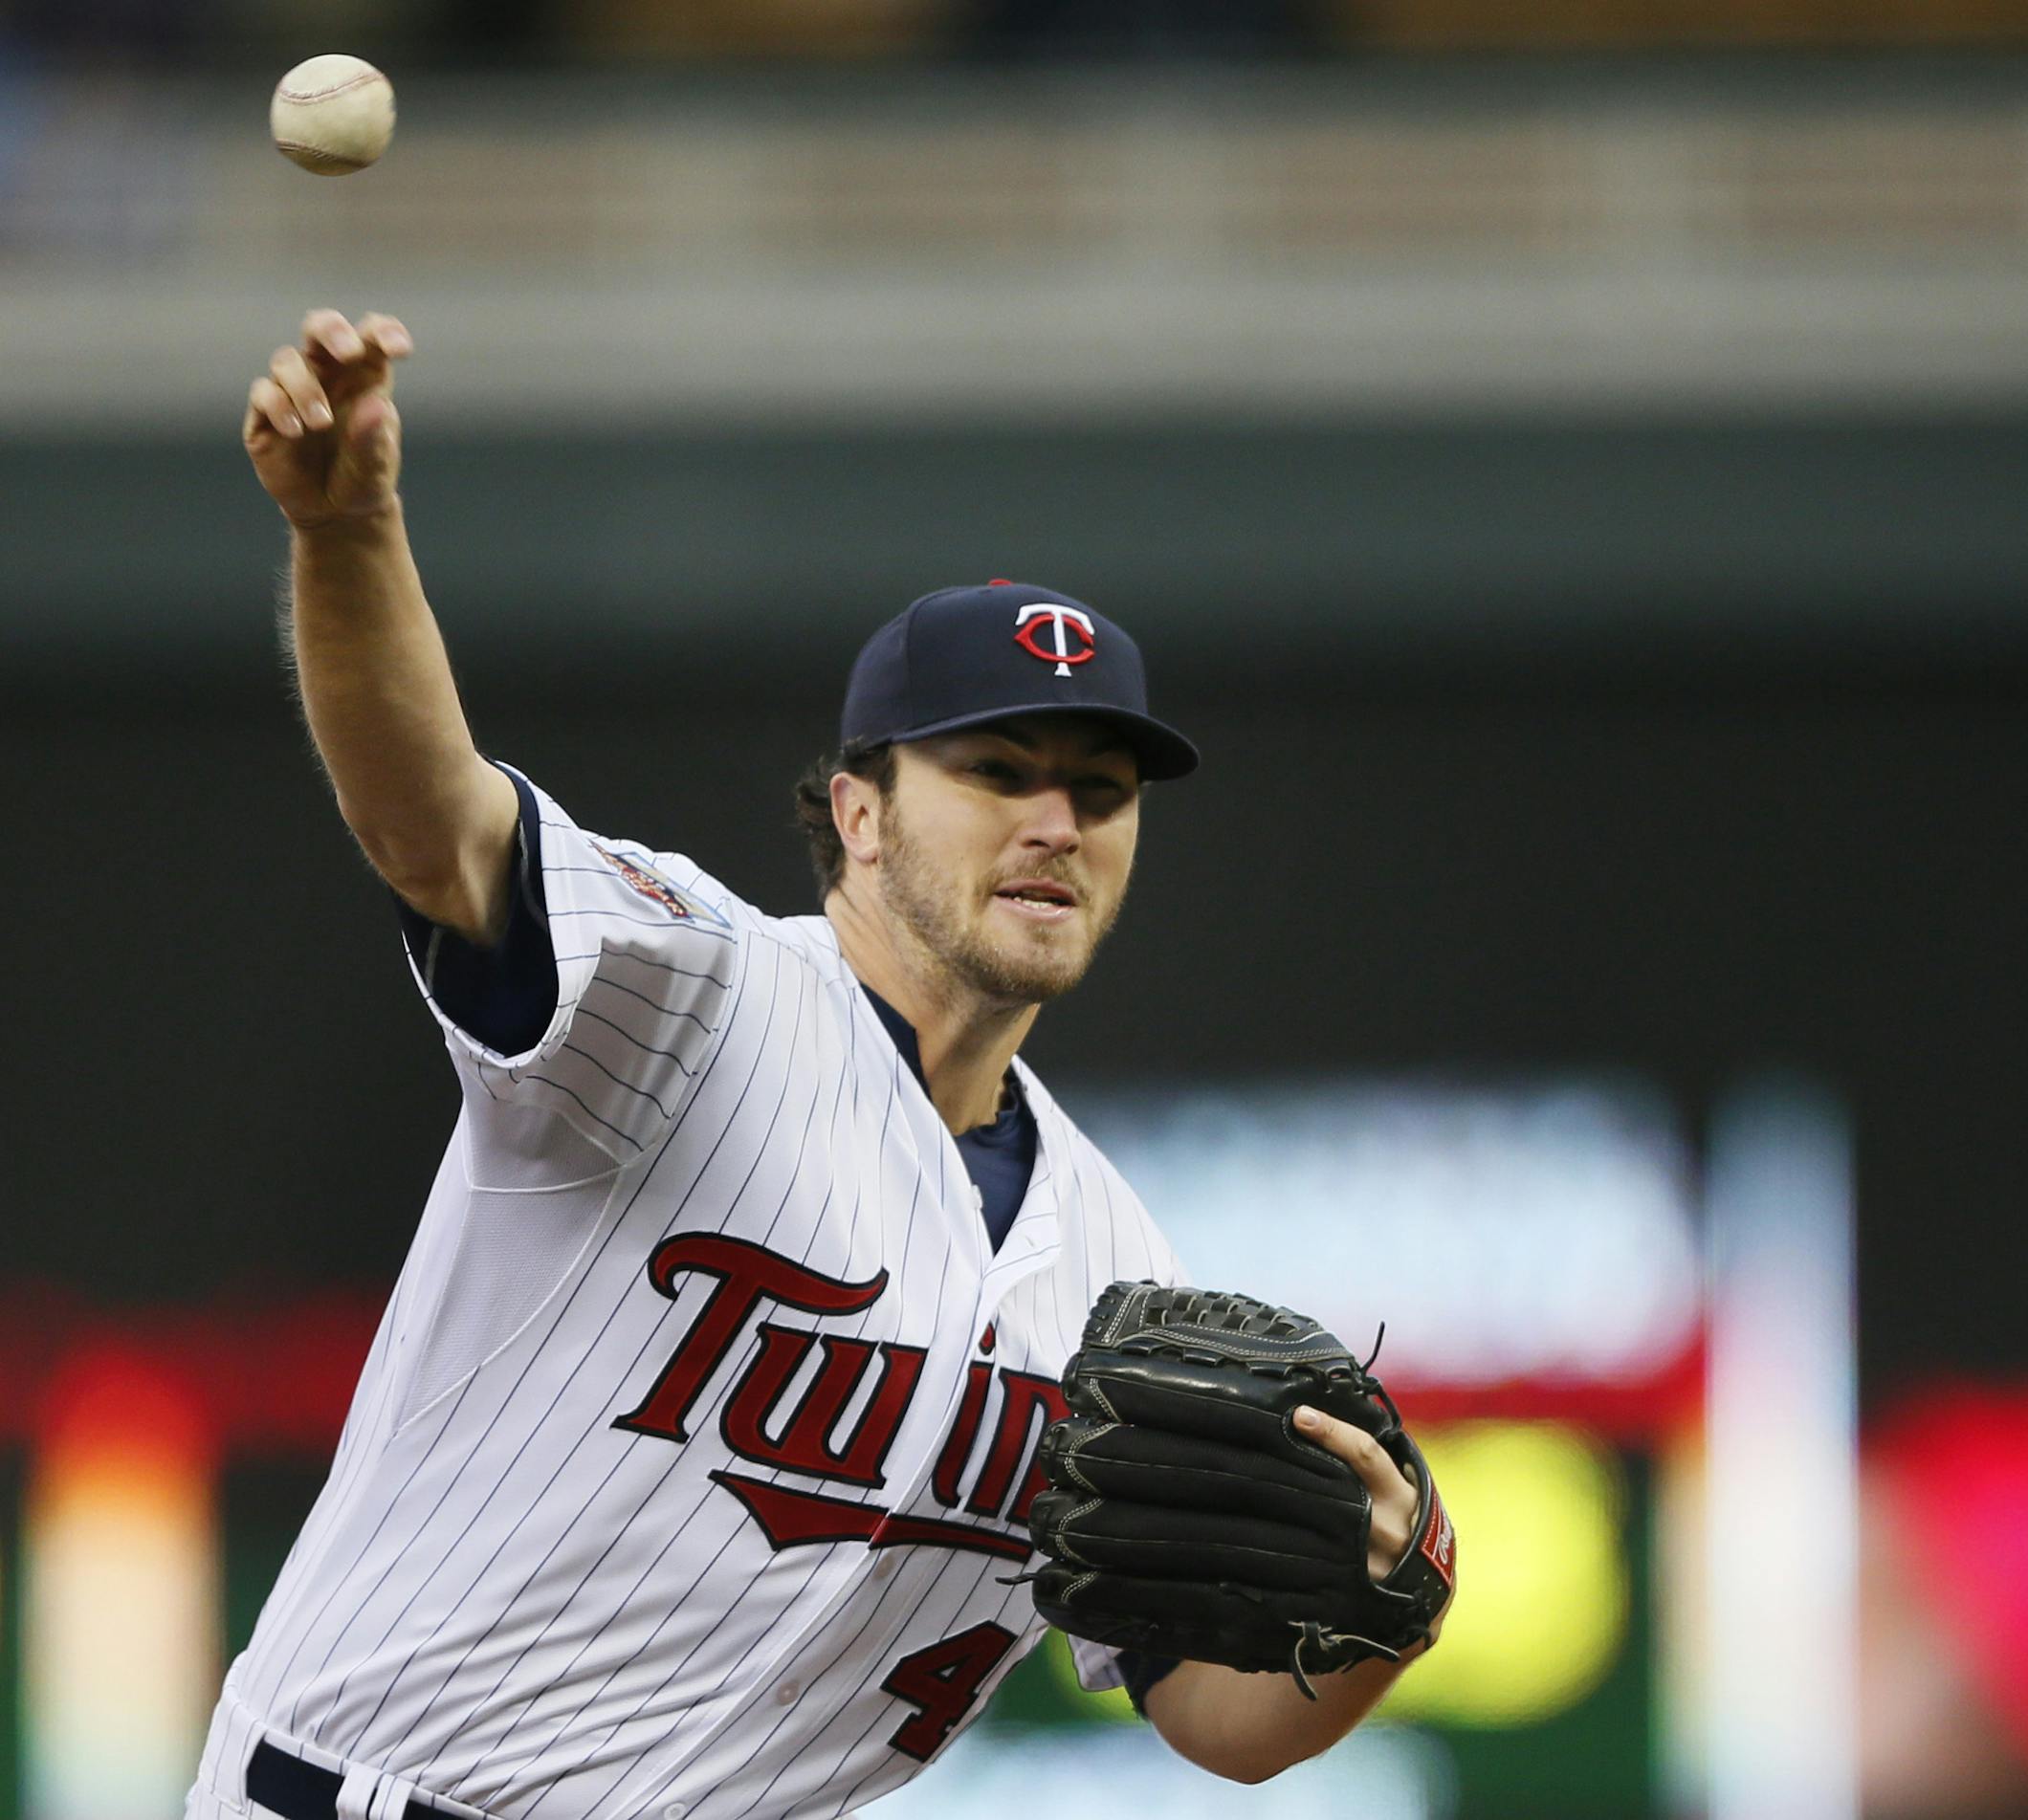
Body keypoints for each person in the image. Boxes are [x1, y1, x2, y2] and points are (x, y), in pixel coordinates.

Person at [188, 306, 1433, 1820]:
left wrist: (1391, 1604)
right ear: (858, 813)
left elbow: (1217, 1729)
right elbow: (429, 822)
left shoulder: (1111, 1265)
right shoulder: (691, 995)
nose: (1057, 822)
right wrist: (349, 532)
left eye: (1100, 792)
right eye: (995, 772)